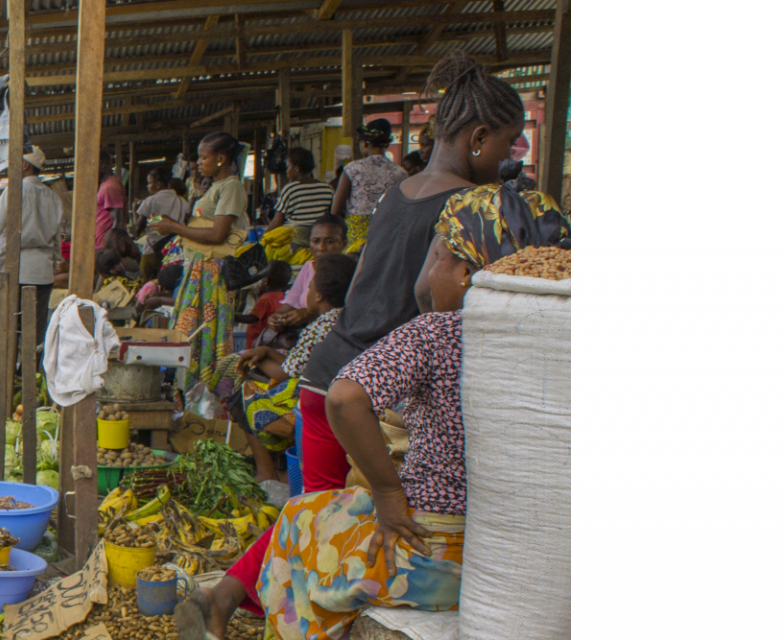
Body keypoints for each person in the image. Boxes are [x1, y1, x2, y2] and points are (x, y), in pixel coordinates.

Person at [179, 52, 545, 639]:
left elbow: (368, 277)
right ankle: (244, 605)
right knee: (344, 528)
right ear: (479, 138)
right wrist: (389, 486)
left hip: (330, 365)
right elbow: (427, 298)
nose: (507, 160)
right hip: (365, 387)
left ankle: (223, 597)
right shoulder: (462, 210)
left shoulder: (401, 190)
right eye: (506, 145)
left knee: (317, 515)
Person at [231, 253, 356, 481]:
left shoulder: (316, 328)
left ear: (317, 295)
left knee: (244, 389)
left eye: (308, 287)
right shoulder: (348, 320)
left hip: (312, 400)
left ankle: (266, 472)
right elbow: (297, 365)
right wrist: (267, 352)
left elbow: (285, 373)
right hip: (339, 394)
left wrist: (254, 360)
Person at [151, 131, 250, 388]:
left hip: (213, 273)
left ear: (221, 158)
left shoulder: (232, 187)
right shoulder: (214, 187)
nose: (199, 162)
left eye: (204, 157)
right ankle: (186, 390)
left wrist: (175, 228)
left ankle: (205, 392)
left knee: (207, 333)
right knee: (190, 333)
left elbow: (218, 234)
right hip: (199, 269)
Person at [0, 145, 64, 349]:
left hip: (13, 272)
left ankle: (7, 377)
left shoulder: (14, 192)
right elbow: (57, 239)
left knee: (4, 327)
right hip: (41, 273)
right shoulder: (53, 197)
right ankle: (30, 375)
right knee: (36, 330)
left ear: (23, 165)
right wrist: (57, 259)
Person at [329, 118, 409, 249]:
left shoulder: (353, 169)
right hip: (387, 232)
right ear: (386, 144)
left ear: (365, 143)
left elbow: (336, 209)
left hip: (356, 233)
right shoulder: (400, 173)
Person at [268, 218, 349, 332]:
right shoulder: (308, 268)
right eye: (316, 241)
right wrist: (277, 318)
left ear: (343, 244)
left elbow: (344, 311)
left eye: (330, 242)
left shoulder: (347, 271)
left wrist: (309, 314)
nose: (321, 248)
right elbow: (288, 305)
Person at [267, 148, 334, 254]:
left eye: (288, 167)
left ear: (297, 168)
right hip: (320, 242)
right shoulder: (327, 188)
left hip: (295, 244)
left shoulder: (290, 189)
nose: (287, 171)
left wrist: (263, 238)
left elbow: (277, 222)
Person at [236, 262, 292, 350]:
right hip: (271, 343)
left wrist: (233, 317)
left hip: (257, 343)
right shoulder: (284, 297)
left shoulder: (265, 299)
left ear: (266, 280)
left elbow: (252, 318)